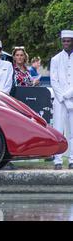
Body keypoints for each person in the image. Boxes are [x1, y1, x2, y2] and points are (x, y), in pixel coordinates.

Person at [50, 30, 73, 170]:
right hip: (59, 101)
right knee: (58, 130)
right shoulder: (55, 59)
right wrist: (63, 98)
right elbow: (54, 81)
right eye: (64, 41)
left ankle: (72, 159)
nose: (66, 43)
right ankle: (57, 160)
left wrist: (68, 95)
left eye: (68, 41)